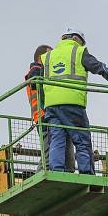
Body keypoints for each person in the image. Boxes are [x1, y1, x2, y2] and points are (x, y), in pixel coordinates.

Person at [42, 27, 108, 174]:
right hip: (72, 104)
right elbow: (100, 68)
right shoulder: (78, 52)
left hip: (51, 106)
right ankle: (86, 174)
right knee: (82, 141)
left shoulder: (47, 56)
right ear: (76, 39)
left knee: (57, 141)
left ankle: (56, 172)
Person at [25, 44, 75, 172]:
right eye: (50, 55)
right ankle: (41, 178)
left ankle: (67, 173)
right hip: (44, 117)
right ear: (41, 57)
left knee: (62, 152)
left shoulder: (42, 72)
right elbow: (33, 79)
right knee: (49, 154)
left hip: (55, 115)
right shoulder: (35, 70)